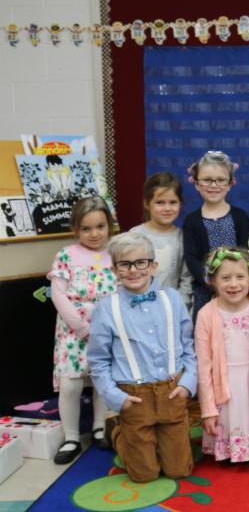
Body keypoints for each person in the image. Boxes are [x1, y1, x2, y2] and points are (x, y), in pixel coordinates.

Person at [87, 232, 196, 482]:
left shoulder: (173, 299)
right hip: (133, 397)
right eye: (125, 264)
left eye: (140, 262)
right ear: (114, 270)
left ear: (153, 266)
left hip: (172, 391)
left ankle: (158, 441)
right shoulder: (107, 308)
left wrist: (187, 383)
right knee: (144, 475)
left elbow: (188, 346)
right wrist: (117, 398)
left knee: (179, 470)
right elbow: (98, 360)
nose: (133, 270)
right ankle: (117, 432)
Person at [48, 196, 117, 464]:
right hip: (73, 331)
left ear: (109, 225)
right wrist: (82, 328)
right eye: (86, 228)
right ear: (76, 229)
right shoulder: (66, 255)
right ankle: (71, 437)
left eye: (100, 226)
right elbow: (58, 295)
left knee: (102, 379)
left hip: (107, 329)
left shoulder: (115, 254)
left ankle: (100, 426)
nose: (94, 233)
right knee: (70, 384)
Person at [195, 247, 249, 463]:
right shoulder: (206, 314)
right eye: (225, 278)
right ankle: (231, 448)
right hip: (224, 385)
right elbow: (203, 367)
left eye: (240, 277)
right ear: (213, 281)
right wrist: (208, 410)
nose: (233, 284)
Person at [183, 151, 249, 320]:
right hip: (205, 292)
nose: (213, 185)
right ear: (196, 183)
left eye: (220, 180)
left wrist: (235, 281)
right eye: (207, 180)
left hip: (238, 290)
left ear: (230, 184)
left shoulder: (240, 217)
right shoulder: (192, 221)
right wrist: (212, 281)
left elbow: (248, 253)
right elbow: (192, 259)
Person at [130, 172, 192, 306]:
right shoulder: (135, 236)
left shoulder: (183, 237)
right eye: (160, 202)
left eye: (173, 202)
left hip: (171, 307)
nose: (167, 208)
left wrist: (178, 305)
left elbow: (186, 278)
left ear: (180, 204)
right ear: (147, 203)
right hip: (138, 307)